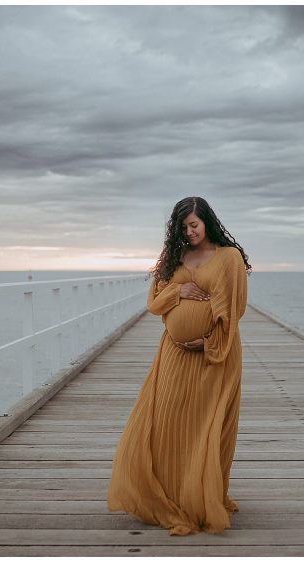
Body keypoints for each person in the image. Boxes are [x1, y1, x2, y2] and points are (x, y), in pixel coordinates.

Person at [107, 196, 250, 535]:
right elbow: (154, 304)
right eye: (184, 227)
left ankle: (201, 497)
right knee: (168, 421)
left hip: (215, 354)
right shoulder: (175, 258)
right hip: (173, 353)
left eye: (195, 225)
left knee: (206, 425)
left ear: (208, 223)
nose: (190, 232)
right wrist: (179, 291)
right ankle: (171, 496)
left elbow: (234, 309)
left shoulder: (228, 258)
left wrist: (207, 339)